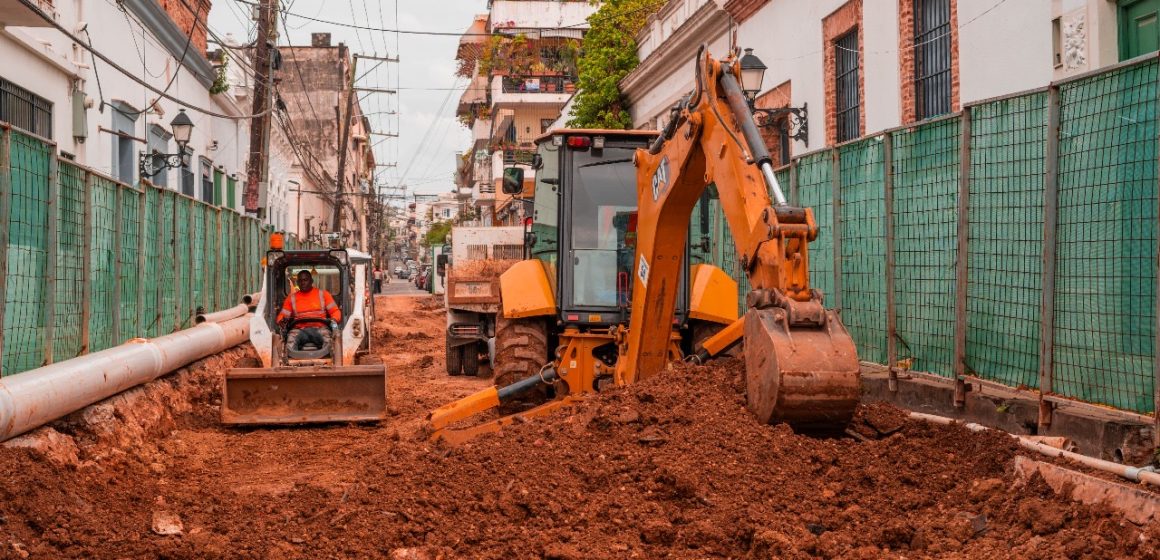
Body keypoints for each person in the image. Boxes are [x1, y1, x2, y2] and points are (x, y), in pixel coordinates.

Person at [277, 270, 341, 351]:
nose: (302, 283)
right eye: (300, 281)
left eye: (305, 280)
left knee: (330, 343)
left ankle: (328, 361)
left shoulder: (324, 294)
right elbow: (282, 315)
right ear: (297, 282)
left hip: (320, 328)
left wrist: (334, 319)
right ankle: (289, 362)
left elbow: (335, 311)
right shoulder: (291, 298)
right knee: (290, 343)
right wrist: (281, 321)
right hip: (299, 329)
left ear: (311, 281)